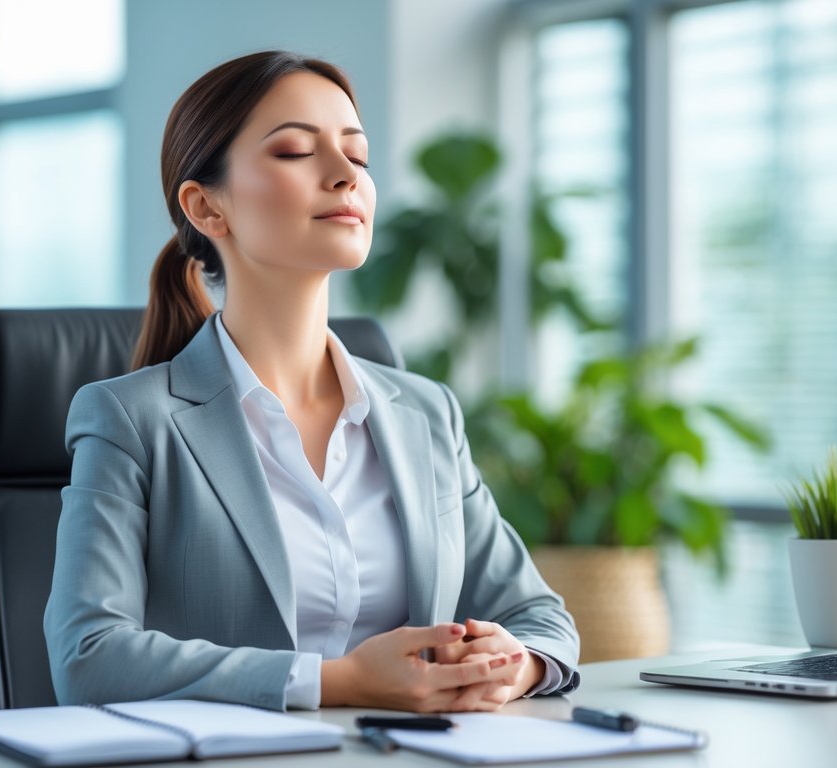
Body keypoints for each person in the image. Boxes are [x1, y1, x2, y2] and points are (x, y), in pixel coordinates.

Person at [44, 50, 580, 713]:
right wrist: (342, 682)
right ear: (207, 207)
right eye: (296, 151)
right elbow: (87, 656)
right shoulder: (130, 420)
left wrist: (516, 664)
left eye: (357, 155)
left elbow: (537, 614)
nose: (343, 176)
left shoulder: (425, 413)